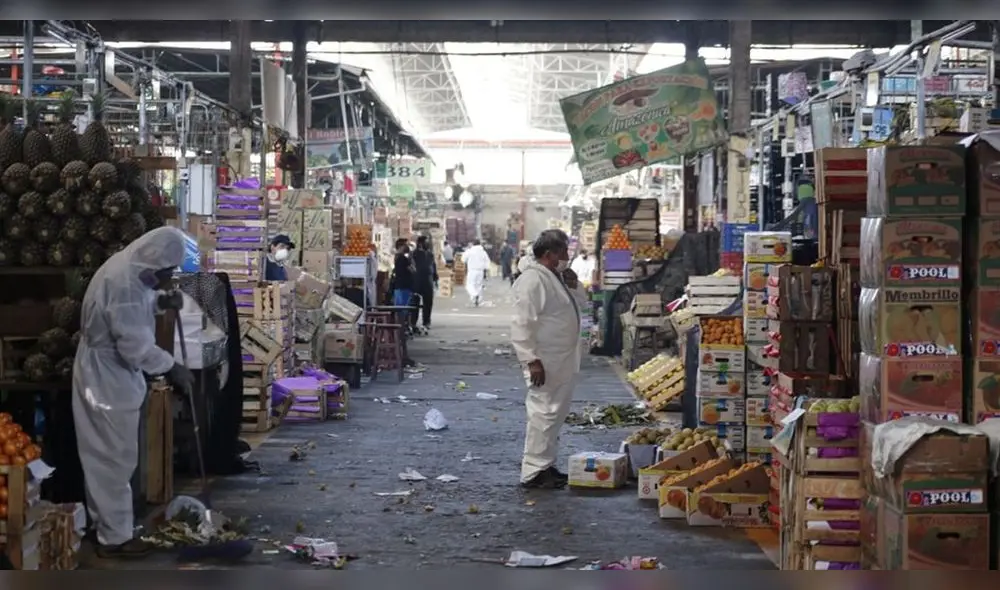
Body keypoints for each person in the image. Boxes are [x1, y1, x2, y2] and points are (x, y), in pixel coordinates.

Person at [73, 227, 196, 558]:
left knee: (112, 454)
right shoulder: (125, 281)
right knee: (112, 457)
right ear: (153, 261)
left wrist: (159, 301)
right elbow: (135, 346)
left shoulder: (131, 269)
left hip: (111, 373)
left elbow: (134, 306)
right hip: (106, 377)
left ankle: (110, 527)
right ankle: (114, 539)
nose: (167, 278)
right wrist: (171, 366)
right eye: (165, 273)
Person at [510, 229, 586, 489]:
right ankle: (533, 471)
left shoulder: (556, 277)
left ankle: (546, 464)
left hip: (561, 359)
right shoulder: (533, 280)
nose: (567, 256)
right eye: (563, 251)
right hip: (545, 360)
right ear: (549, 254)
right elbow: (522, 323)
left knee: (554, 414)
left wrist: (574, 284)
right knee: (543, 412)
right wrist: (530, 359)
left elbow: (578, 305)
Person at [411, 235, 438, 331]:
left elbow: (433, 265)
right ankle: (413, 322)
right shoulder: (414, 254)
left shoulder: (430, 254)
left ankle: (426, 322)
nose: (427, 244)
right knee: (415, 303)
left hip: (428, 280)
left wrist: (435, 276)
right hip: (417, 281)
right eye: (425, 242)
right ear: (420, 243)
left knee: (428, 302)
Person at [461, 239, 491, 307]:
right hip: (480, 271)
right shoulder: (483, 252)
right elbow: (487, 261)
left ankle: (474, 295)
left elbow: (463, 259)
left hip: (472, 270)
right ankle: (477, 300)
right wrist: (486, 269)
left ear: (473, 244)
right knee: (478, 285)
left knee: (470, 284)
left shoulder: (470, 251)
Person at [391, 238, 415, 322]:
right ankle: (402, 328)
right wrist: (411, 259)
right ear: (401, 246)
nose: (407, 247)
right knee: (404, 308)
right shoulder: (404, 259)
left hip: (398, 286)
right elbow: (413, 270)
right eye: (406, 245)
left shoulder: (396, 257)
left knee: (398, 308)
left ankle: (399, 327)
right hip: (405, 286)